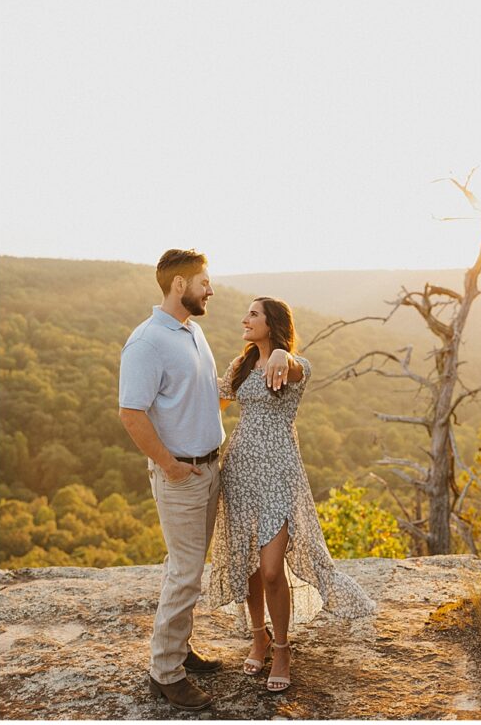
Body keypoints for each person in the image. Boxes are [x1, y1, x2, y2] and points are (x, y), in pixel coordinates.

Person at [119, 250, 295, 711]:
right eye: (204, 282)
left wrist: (280, 353)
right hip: (182, 472)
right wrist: (170, 464)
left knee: (185, 567)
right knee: (185, 573)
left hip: (212, 468)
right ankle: (166, 673)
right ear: (180, 285)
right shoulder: (147, 342)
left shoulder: (191, 331)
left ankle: (177, 648)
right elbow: (130, 412)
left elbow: (215, 392)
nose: (210, 290)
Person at [208, 297, 376, 694]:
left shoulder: (296, 367)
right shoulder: (241, 365)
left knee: (270, 569)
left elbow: (295, 367)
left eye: (253, 314)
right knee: (247, 563)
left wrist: (282, 351)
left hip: (279, 474)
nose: (244, 319)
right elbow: (214, 403)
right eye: (246, 313)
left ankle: (282, 648)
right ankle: (258, 635)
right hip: (240, 470)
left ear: (273, 324)